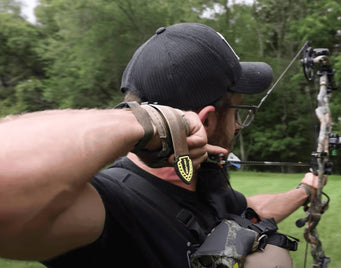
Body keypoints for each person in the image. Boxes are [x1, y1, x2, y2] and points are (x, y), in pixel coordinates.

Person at [0, 23, 322, 267]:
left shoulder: (208, 188)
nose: (239, 124)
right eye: (239, 111)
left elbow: (251, 211)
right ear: (206, 121)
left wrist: (306, 190)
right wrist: (143, 123)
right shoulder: (113, 204)